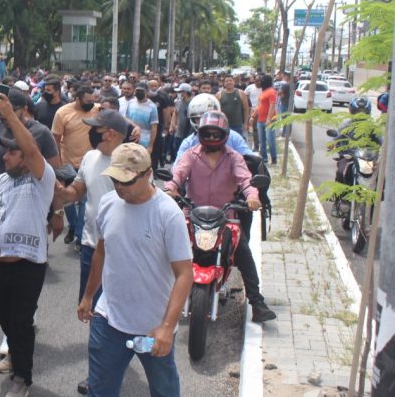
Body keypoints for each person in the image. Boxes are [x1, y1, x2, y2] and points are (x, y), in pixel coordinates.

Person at [77, 143, 193, 397]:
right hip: (109, 321)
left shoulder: (168, 214)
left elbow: (185, 273)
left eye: (126, 181)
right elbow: (101, 252)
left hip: (152, 328)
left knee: (164, 390)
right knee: (100, 391)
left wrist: (166, 326)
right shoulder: (108, 204)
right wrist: (88, 296)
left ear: (148, 173)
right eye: (115, 179)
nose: (119, 187)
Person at [0, 93, 57, 397]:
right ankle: (18, 349)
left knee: (20, 321)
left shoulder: (41, 177)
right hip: (1, 262)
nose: (4, 157)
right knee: (1, 311)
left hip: (29, 265)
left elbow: (33, 149)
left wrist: (10, 115)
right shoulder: (1, 181)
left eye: (10, 153)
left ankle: (23, 377)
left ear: (23, 156)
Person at [166, 111, 276, 323]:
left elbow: (245, 181)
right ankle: (160, 293)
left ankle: (257, 302)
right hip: (193, 215)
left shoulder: (234, 157)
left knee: (243, 253)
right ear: (200, 133)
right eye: (208, 133)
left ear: (225, 134)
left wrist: (253, 197)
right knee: (167, 250)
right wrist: (170, 189)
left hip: (225, 217)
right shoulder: (191, 155)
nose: (213, 138)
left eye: (217, 134)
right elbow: (178, 175)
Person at [55, 109, 131, 395]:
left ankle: (111, 369)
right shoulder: (90, 158)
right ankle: (98, 374)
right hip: (91, 247)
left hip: (122, 251)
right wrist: (62, 192)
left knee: (119, 314)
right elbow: (78, 191)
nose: (91, 133)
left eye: (95, 129)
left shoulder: (131, 161)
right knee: (94, 312)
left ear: (110, 133)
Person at [52, 85, 99, 246]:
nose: (91, 104)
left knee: (85, 201)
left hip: (90, 164)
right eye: (88, 101)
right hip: (68, 164)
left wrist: (134, 127)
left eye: (93, 101)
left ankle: (80, 236)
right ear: (77, 99)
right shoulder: (62, 113)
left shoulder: (97, 109)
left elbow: (115, 115)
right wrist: (57, 163)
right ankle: (72, 226)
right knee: (69, 201)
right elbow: (55, 139)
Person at [174, 93, 253, 165]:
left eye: (216, 135)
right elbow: (177, 167)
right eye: (198, 119)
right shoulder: (188, 143)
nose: (203, 122)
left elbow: (249, 158)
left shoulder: (233, 137)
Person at [252, 74, 277, 165]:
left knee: (270, 139)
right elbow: (259, 106)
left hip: (269, 120)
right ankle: (264, 158)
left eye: (261, 81)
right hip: (260, 120)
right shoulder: (263, 92)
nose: (259, 82)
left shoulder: (271, 92)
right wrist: (253, 116)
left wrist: (269, 119)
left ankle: (274, 159)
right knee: (262, 141)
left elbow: (272, 105)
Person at [244, 75, 262, 151]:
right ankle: (255, 146)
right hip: (252, 112)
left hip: (262, 112)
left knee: (261, 130)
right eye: (257, 80)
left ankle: (261, 145)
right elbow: (245, 97)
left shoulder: (264, 88)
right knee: (253, 130)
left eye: (260, 80)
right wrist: (249, 107)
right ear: (254, 81)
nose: (258, 82)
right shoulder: (249, 88)